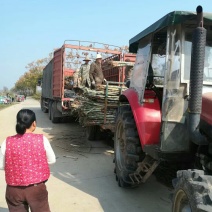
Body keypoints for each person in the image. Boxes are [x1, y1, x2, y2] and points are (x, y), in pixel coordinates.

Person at [0, 109, 56, 212]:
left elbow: (1, 165)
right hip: (36, 188)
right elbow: (52, 160)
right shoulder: (41, 139)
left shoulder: (7, 141)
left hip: (13, 190)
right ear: (34, 123)